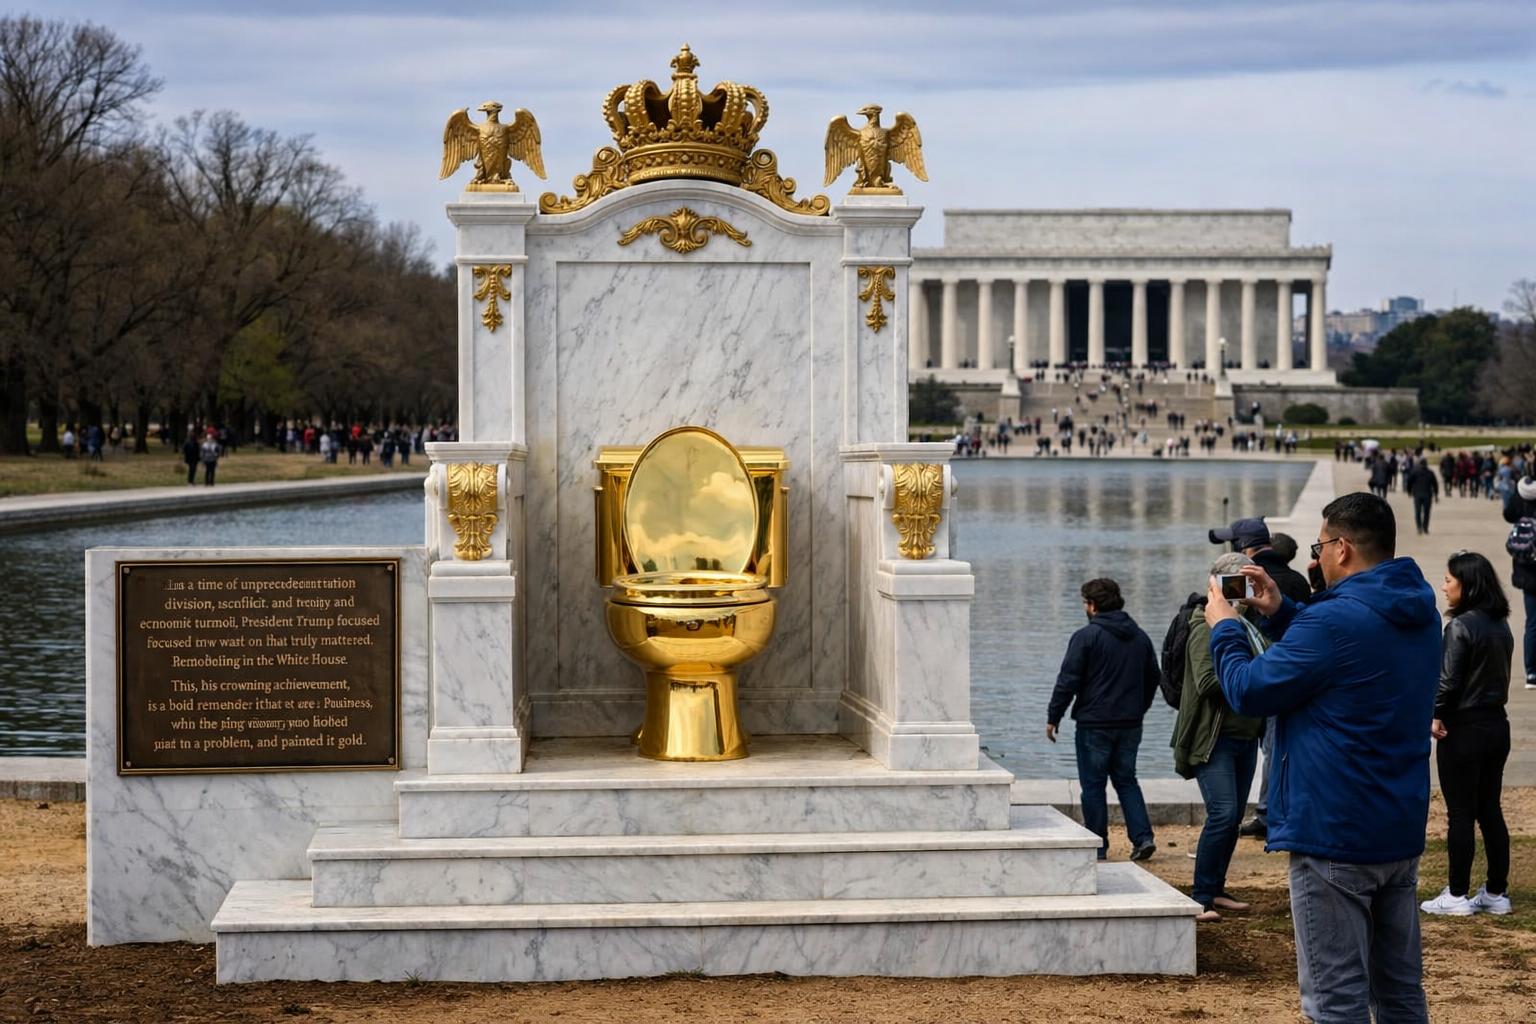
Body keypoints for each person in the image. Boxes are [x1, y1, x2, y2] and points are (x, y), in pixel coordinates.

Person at [1206, 492, 1439, 1024]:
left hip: (1333, 830)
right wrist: (1281, 610)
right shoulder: (1417, 609)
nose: (1317, 558)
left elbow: (1247, 690)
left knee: (1335, 1001)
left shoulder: (1333, 623)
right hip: (1395, 826)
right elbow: (1348, 654)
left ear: (1342, 547)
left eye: (1321, 545)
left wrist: (1224, 625)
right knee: (1400, 992)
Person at [1171, 552, 1266, 923]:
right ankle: (1200, 897)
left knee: (1233, 815)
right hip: (1214, 738)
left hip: (1245, 735)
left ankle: (1216, 887)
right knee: (1223, 813)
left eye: (1245, 585)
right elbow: (1209, 681)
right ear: (1216, 586)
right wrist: (1251, 677)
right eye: (1233, 586)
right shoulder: (1203, 625)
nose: (1240, 594)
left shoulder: (1249, 625)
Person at [1420, 551, 1514, 916]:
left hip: (1464, 728)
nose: (1443, 587)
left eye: (1448, 580)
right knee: (1490, 808)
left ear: (1467, 585)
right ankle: (1495, 891)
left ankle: (1456, 895)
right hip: (1496, 725)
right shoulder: (1499, 625)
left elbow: (1448, 681)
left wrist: (1435, 715)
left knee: (1460, 811)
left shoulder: (1460, 626)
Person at [1208, 517, 1309, 842]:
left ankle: (1269, 813)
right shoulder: (1295, 580)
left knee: (1272, 747)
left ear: (1242, 548)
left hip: (1264, 681)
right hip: (1296, 679)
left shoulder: (1247, 588)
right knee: (1280, 748)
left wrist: (1224, 625)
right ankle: (1276, 810)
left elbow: (1241, 682)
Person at [1046, 578, 1159, 862]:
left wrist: (1054, 716)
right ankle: (1143, 837)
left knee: (1093, 785)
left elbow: (1068, 680)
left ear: (1092, 605)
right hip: (1130, 723)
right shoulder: (1140, 636)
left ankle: (1099, 845)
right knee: (1127, 780)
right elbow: (1154, 677)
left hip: (1094, 723)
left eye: (1085, 603)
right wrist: (1139, 709)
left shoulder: (1086, 637)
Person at [1503, 475, 1536, 690]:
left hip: (1526, 570)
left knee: (1532, 623)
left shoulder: (1521, 495)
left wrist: (1517, 491)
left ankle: (1531, 672)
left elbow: (1508, 514)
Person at [1405, 456, 1440, 535]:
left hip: (1417, 494)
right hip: (1427, 495)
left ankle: (1419, 527)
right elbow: (1435, 484)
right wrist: (1436, 495)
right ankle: (1425, 527)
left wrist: (1409, 491)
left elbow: (1409, 482)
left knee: (1418, 512)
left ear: (1420, 464)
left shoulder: (1415, 472)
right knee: (1426, 512)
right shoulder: (1430, 472)